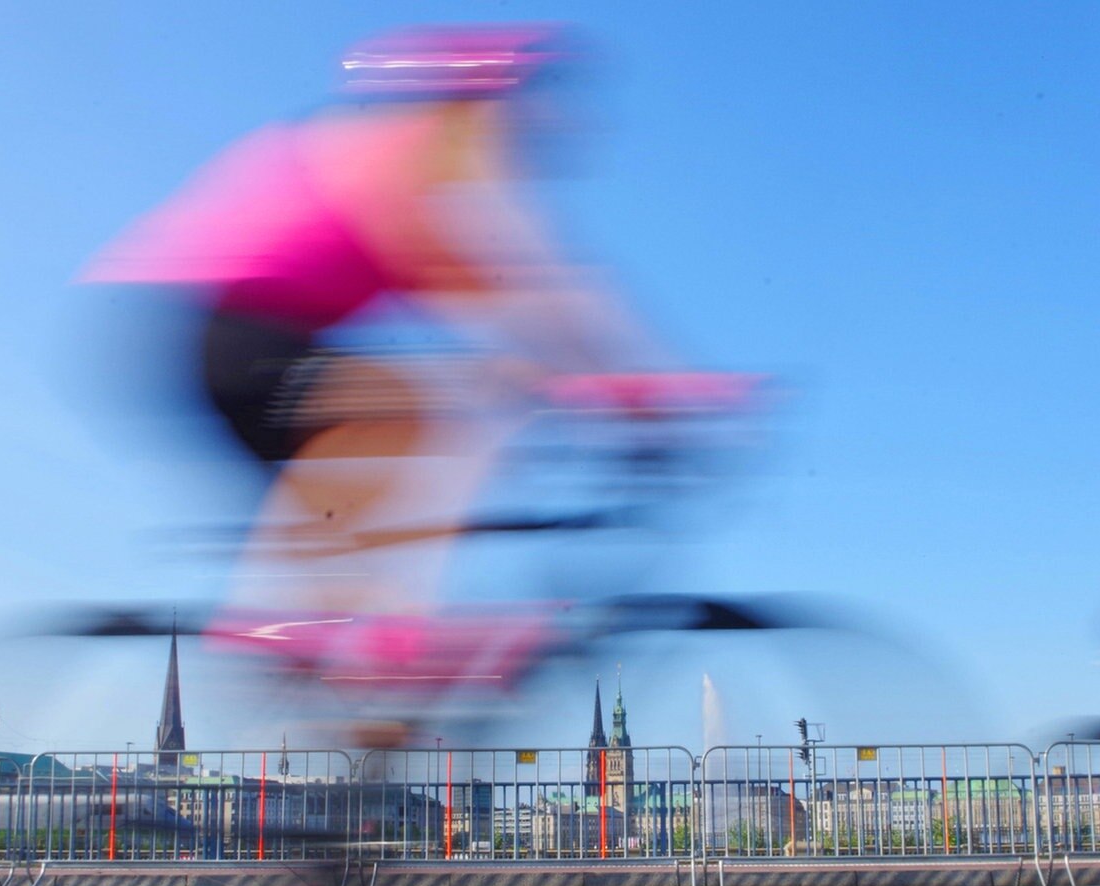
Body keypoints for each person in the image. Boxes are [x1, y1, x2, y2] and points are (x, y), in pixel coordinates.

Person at [81, 25, 748, 741]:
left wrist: (631, 382)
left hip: (219, 333)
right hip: (229, 329)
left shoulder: (419, 161)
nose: (526, 132)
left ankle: (344, 658)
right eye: (515, 111)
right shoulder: (407, 156)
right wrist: (652, 393)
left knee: (418, 436)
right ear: (475, 102)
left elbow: (545, 295)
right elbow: (522, 290)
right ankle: (339, 637)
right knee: (431, 411)